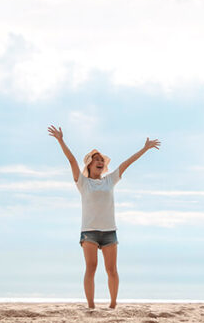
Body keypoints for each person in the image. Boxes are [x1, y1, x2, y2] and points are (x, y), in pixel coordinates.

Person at [47, 125, 161, 309]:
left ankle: (113, 305)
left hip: (109, 232)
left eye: (102, 160)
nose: (100, 162)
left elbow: (126, 163)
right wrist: (60, 139)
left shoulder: (110, 180)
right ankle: (91, 306)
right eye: (96, 160)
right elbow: (71, 160)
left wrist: (145, 148)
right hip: (89, 232)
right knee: (91, 268)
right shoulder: (82, 182)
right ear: (89, 164)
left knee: (112, 270)